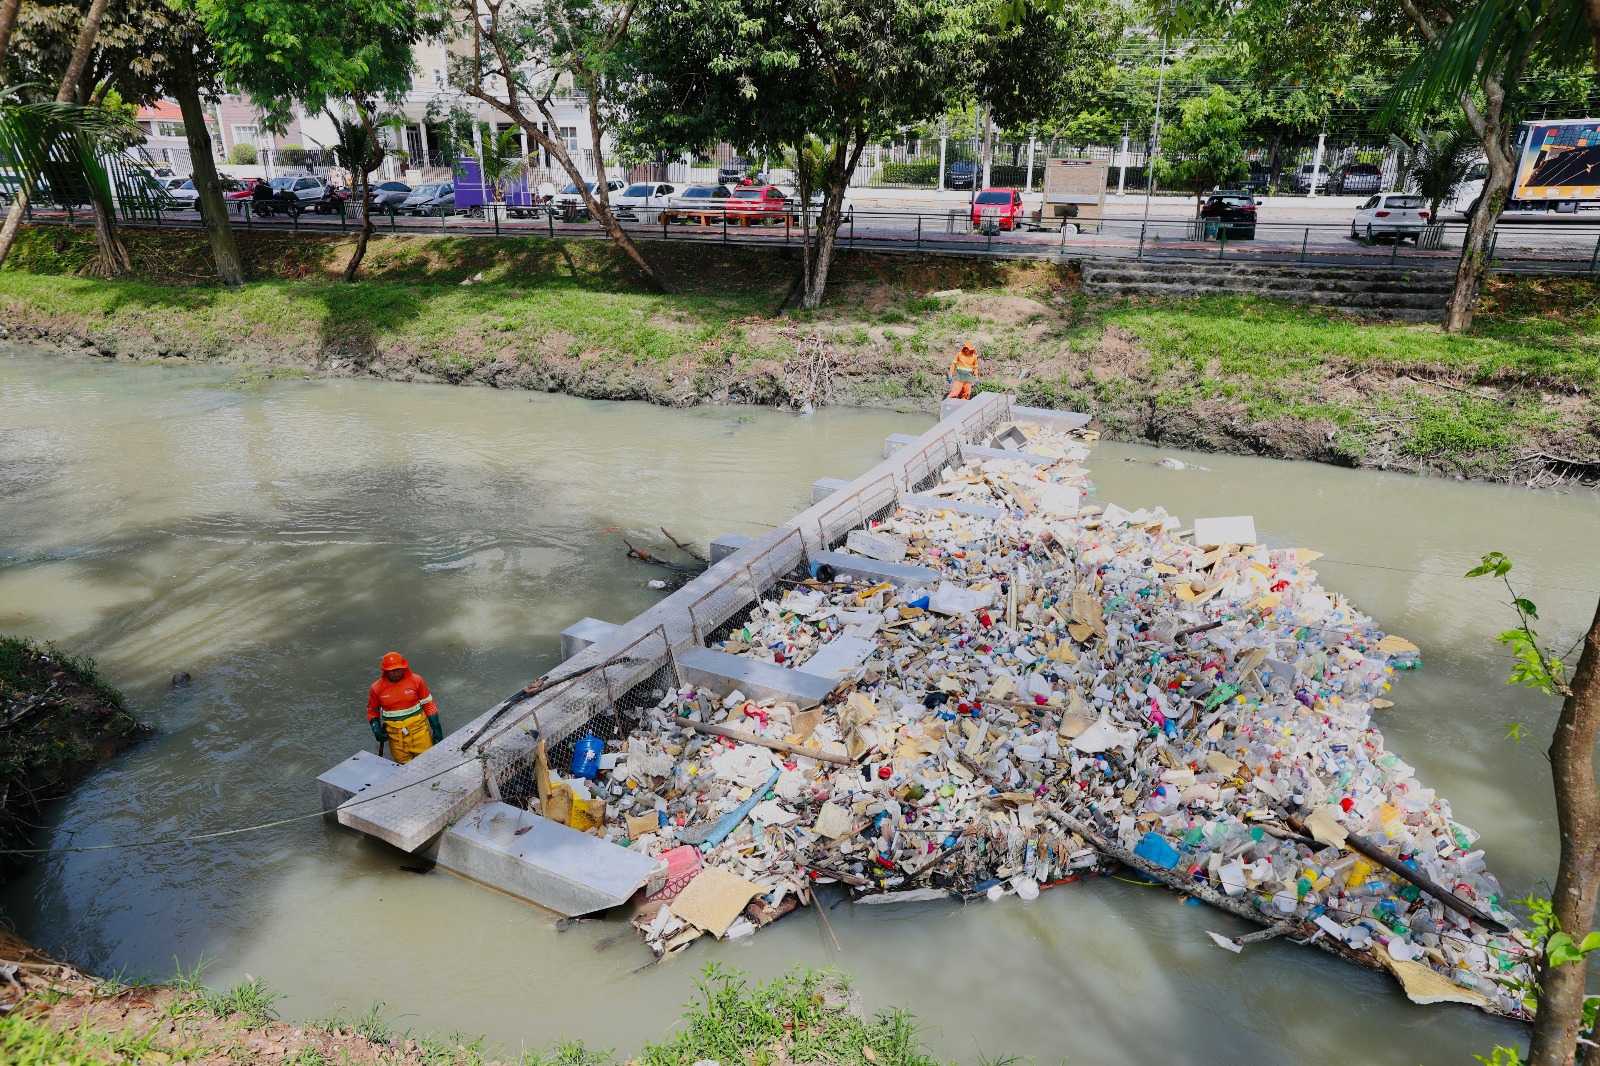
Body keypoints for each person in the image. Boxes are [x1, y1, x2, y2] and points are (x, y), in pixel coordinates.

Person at [367, 652, 442, 764]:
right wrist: (376, 729)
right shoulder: (376, 688)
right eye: (392, 670)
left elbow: (428, 704)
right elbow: (372, 711)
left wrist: (436, 728)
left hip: (420, 732)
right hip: (395, 737)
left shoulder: (416, 681)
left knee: (430, 762)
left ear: (404, 667)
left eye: (399, 669)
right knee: (403, 769)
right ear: (385, 670)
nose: (396, 673)